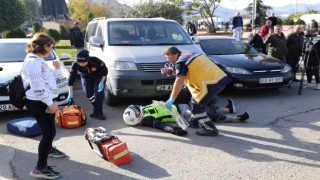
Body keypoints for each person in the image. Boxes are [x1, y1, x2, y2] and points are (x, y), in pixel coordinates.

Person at [162, 46, 231, 136]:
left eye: (166, 57)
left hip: (208, 84)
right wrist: (170, 71)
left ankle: (210, 129)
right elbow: (185, 69)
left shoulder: (180, 62)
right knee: (195, 102)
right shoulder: (188, 54)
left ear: (171, 55)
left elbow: (179, 81)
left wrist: (172, 98)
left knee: (196, 107)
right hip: (219, 79)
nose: (167, 60)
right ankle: (195, 121)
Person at [22, 33, 62, 179]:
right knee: (49, 133)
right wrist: (50, 103)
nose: (52, 49)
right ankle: (40, 168)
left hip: (43, 101)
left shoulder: (38, 60)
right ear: (42, 46)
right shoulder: (34, 62)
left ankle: (47, 150)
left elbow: (47, 80)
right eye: (50, 46)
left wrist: (56, 70)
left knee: (49, 132)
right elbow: (38, 86)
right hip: (39, 102)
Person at [67, 49, 108, 120]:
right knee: (88, 93)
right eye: (79, 62)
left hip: (98, 76)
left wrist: (101, 82)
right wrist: (70, 93)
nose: (81, 64)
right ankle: (96, 110)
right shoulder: (75, 64)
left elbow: (104, 71)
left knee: (98, 94)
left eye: (84, 62)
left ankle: (99, 113)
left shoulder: (95, 60)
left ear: (88, 59)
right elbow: (71, 79)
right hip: (86, 77)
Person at [123, 104, 188, 136]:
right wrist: (174, 130)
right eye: (136, 112)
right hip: (179, 113)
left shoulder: (142, 109)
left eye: (135, 109)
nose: (137, 109)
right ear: (135, 119)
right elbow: (159, 125)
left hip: (175, 106)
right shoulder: (146, 120)